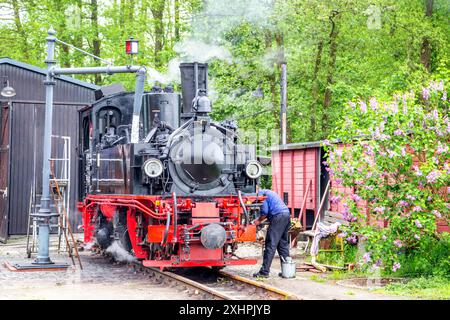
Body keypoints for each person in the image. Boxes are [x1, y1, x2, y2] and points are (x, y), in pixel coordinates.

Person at [252, 189, 291, 278]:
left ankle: (264, 272)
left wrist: (258, 221)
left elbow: (265, 212)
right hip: (286, 215)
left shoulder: (262, 194)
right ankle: (287, 271)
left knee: (270, 244)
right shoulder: (269, 192)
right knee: (282, 245)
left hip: (278, 217)